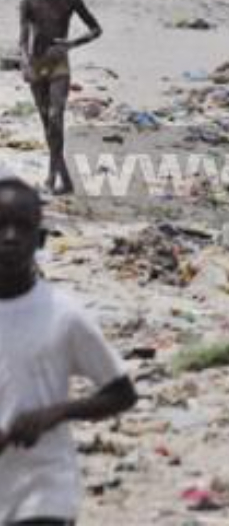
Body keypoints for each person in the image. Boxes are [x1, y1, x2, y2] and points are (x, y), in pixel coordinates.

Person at [0, 173, 137, 525]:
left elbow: (121, 392)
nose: (10, 237)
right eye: (1, 226)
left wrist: (55, 413)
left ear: (41, 238)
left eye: (22, 227)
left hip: (43, 490)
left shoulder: (63, 314)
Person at [19, 0, 103, 195]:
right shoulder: (29, 4)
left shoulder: (71, 1)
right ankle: (65, 180)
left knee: (56, 118)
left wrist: (72, 43)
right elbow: (23, 39)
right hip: (37, 65)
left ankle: (51, 177)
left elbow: (96, 29)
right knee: (48, 124)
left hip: (59, 66)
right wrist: (25, 64)